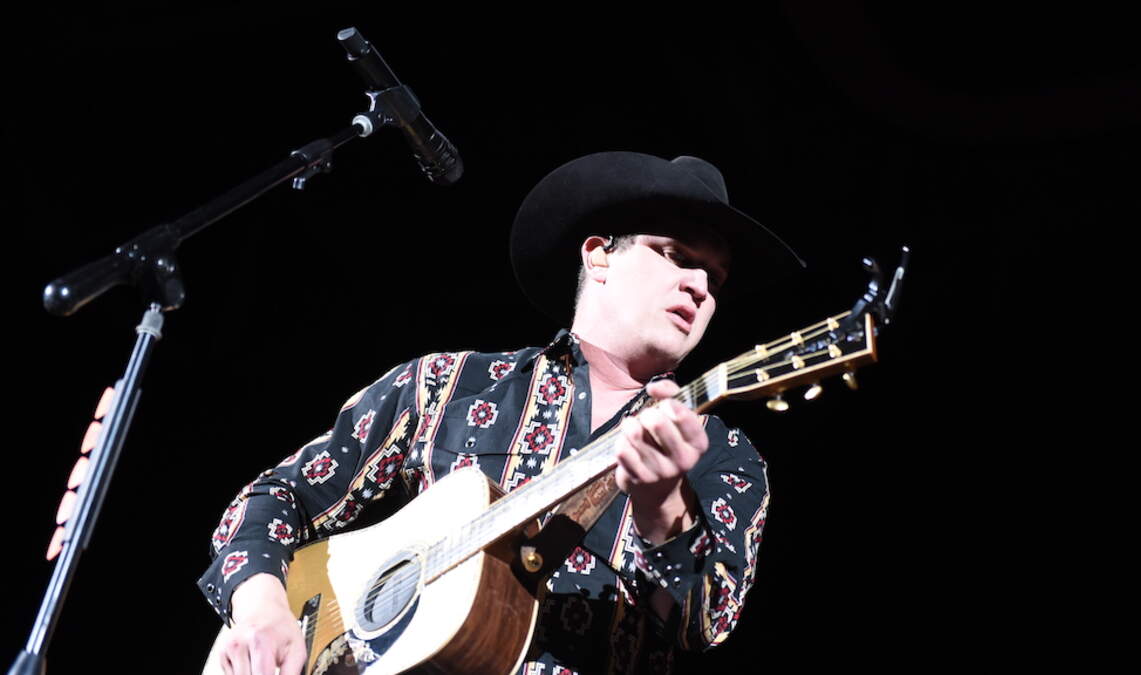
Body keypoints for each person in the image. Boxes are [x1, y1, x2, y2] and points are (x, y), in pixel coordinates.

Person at [198, 151, 804, 674]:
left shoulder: (722, 454)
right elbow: (276, 497)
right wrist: (261, 609)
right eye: (674, 254)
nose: (700, 287)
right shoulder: (446, 384)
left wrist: (663, 505)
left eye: (716, 279)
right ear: (599, 256)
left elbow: (706, 624)